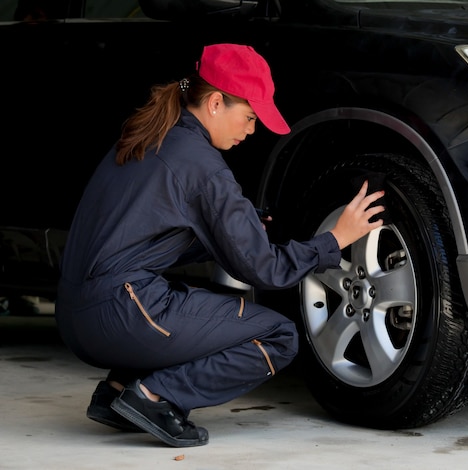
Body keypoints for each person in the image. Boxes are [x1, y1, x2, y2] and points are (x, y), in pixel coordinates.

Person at [54, 43, 385, 448]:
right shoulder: (203, 166)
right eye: (248, 116)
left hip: (76, 317)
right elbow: (266, 271)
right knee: (278, 336)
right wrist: (335, 240)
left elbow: (142, 242)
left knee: (201, 305)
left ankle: (116, 392)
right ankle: (154, 397)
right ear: (215, 103)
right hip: (120, 314)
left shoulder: (149, 136)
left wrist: (232, 231)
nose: (251, 130)